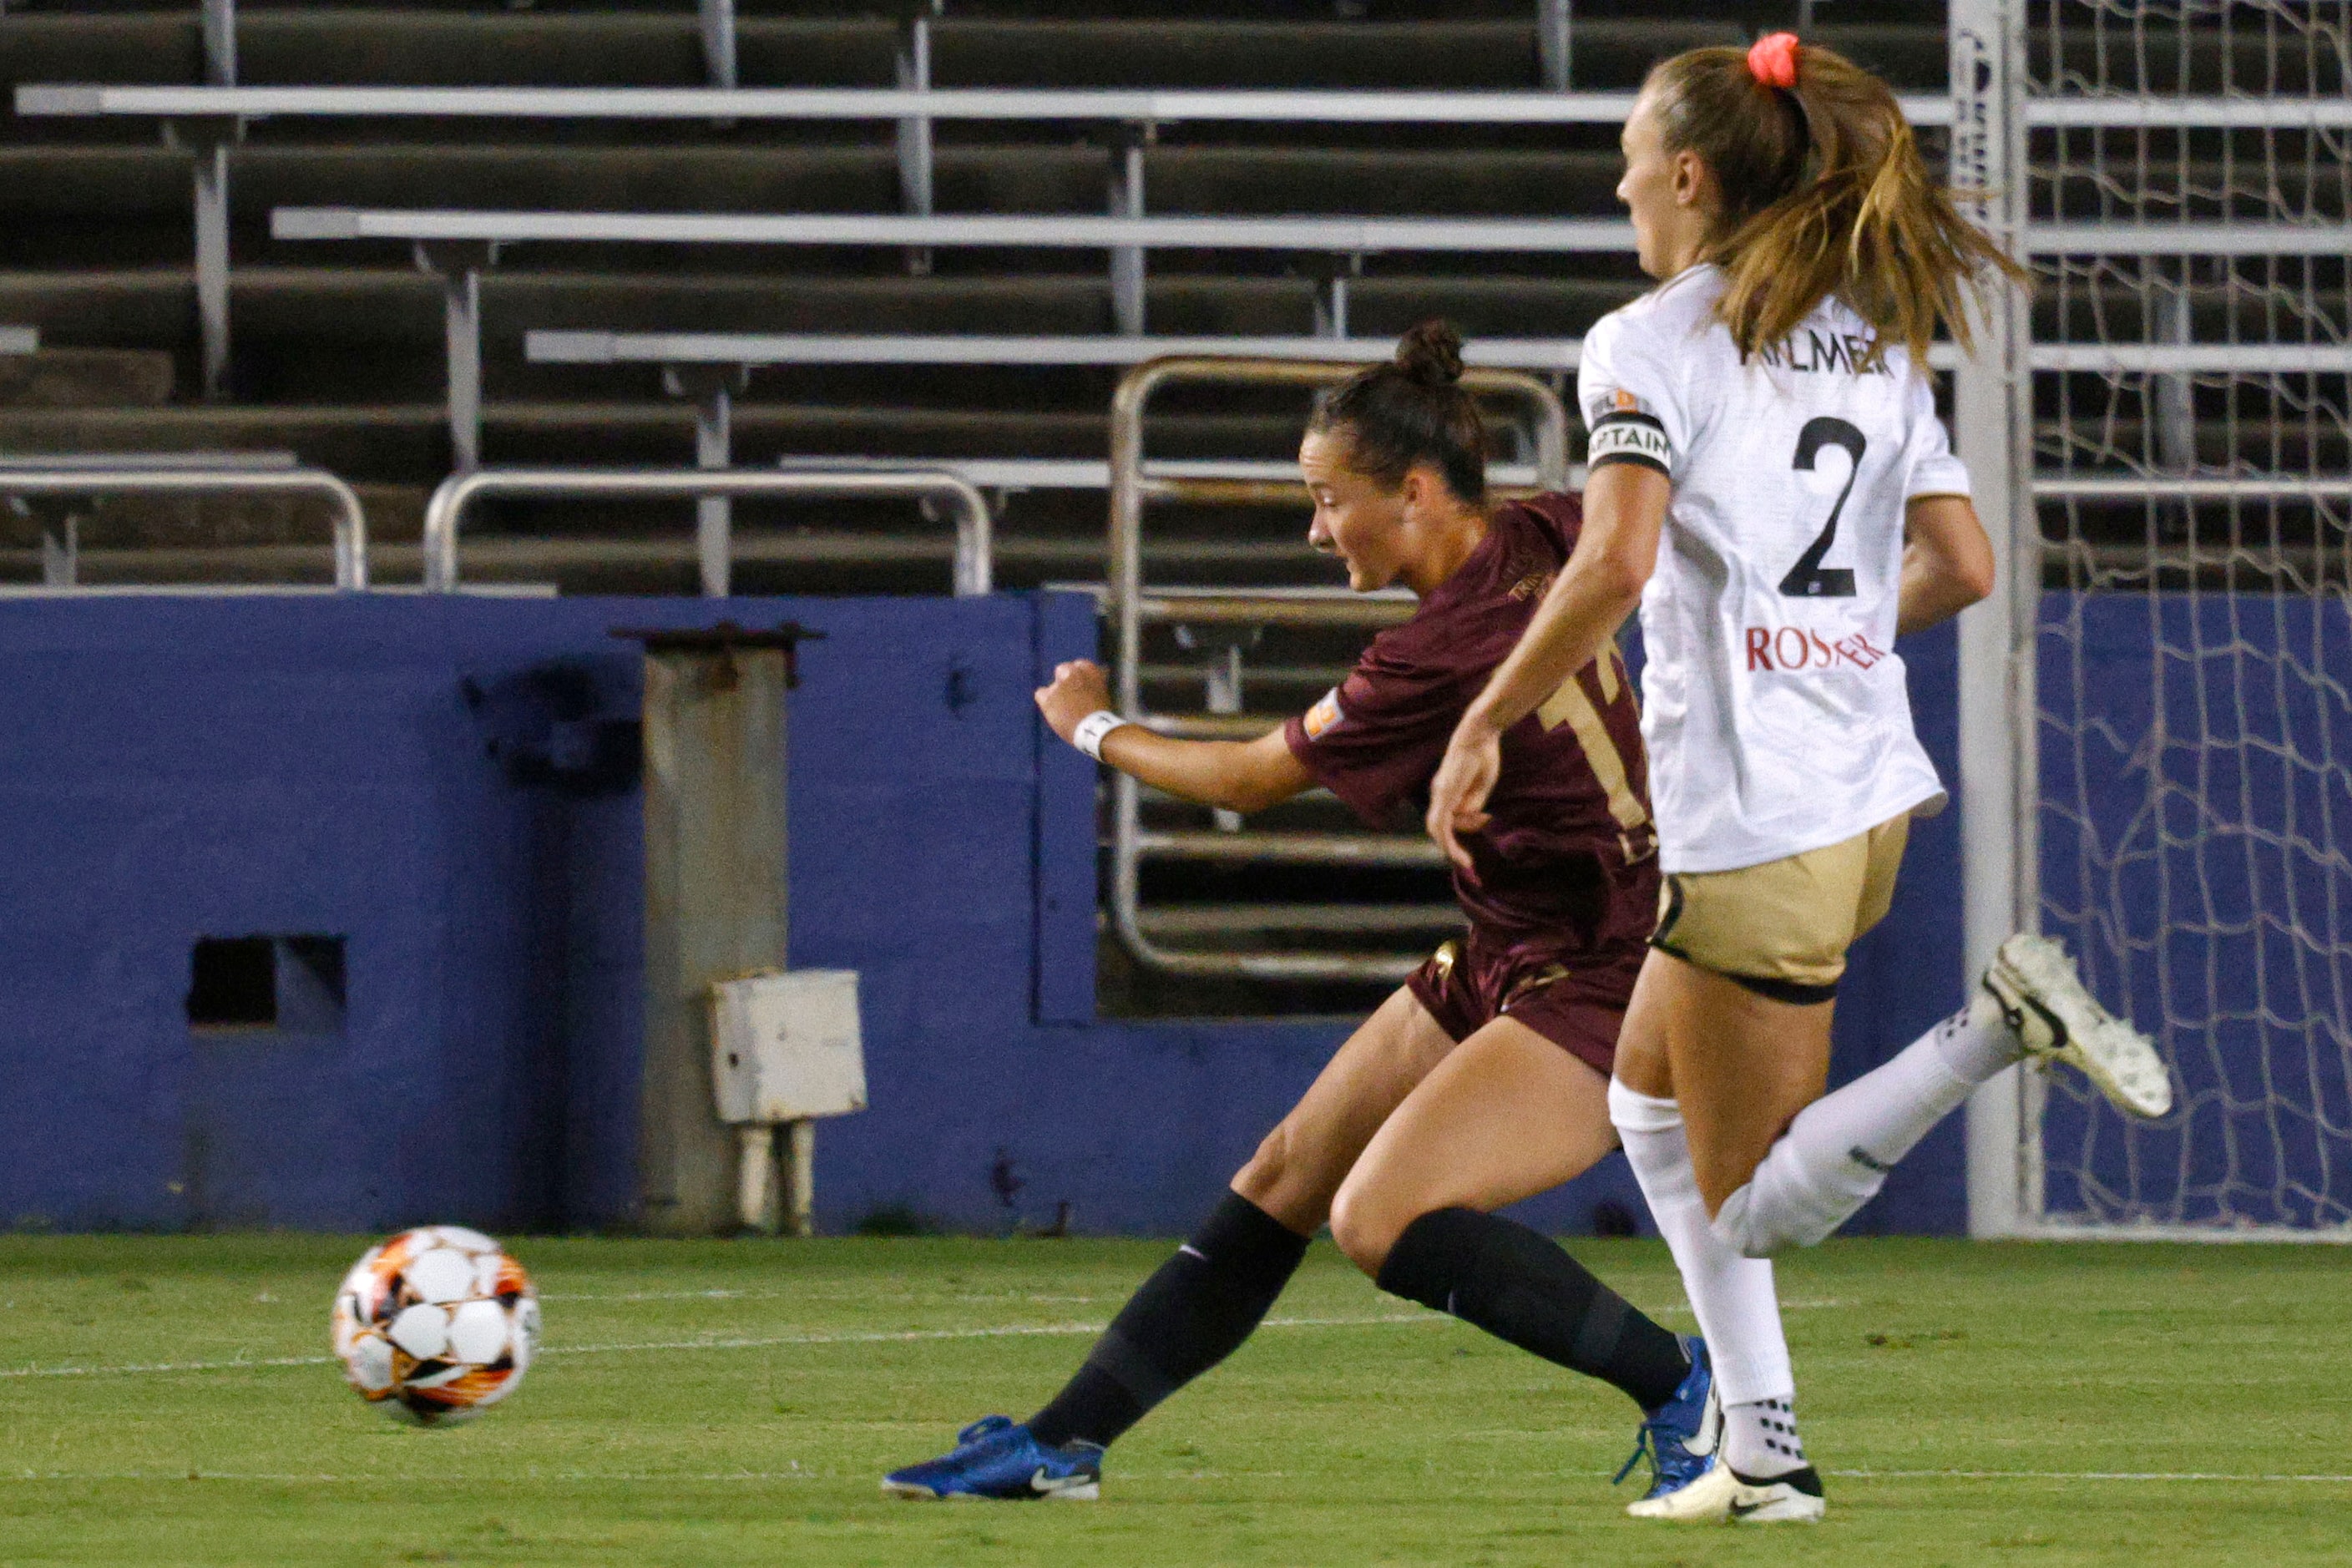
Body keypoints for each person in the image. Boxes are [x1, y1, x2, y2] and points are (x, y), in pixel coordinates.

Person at [1424, 33, 2172, 1525]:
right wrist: (1812, 635)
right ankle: (1761, 1447)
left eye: (1635, 151)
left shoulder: (1645, 339)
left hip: (1757, 812)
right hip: (1868, 785)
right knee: (1644, 1109)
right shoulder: (1876, 340)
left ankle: (1992, 1030)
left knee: (1756, 1191)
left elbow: (1617, 557)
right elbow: (1956, 565)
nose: (1620, 175)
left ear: (1688, 176)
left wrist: (1490, 715)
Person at [883, 322, 1714, 1505]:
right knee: (1284, 1173)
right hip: (1510, 945)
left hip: (1608, 965)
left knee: (1380, 1219)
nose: (1315, 529)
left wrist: (1089, 724)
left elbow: (1245, 780)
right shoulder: (1545, 525)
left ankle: (1686, 1385)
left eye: (1329, 501)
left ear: (1418, 493)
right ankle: (1060, 1442)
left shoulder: (1434, 651)